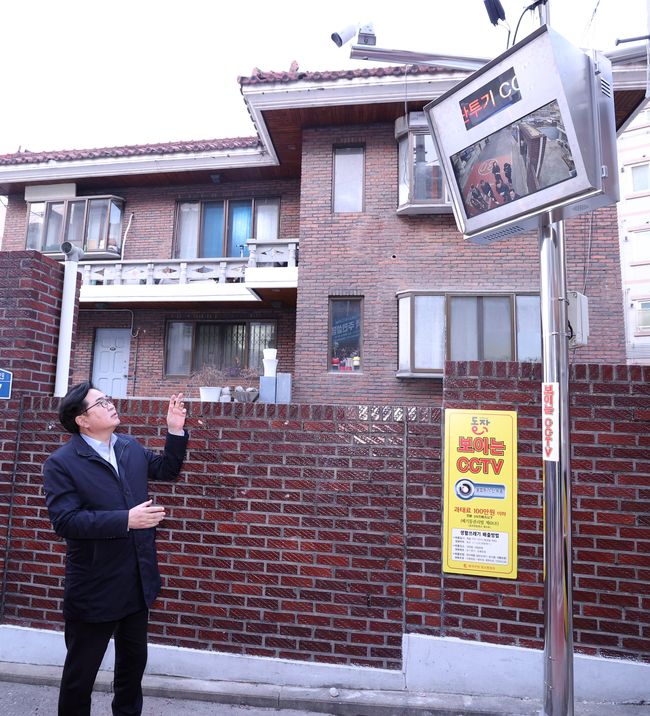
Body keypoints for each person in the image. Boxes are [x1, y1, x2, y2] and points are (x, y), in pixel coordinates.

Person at [43, 382, 188, 716]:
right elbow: (65, 522)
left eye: (107, 399)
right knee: (80, 677)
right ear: (82, 420)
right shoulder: (61, 463)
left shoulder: (128, 446)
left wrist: (175, 430)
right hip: (95, 587)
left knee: (132, 669)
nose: (110, 404)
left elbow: (166, 469)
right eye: (100, 403)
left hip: (136, 581)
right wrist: (126, 520)